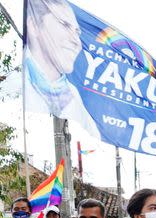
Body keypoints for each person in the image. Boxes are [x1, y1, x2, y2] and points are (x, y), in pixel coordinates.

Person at [23, 0, 99, 135]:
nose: (77, 41)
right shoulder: (13, 88)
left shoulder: (78, 102)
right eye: (64, 24)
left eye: (77, 32)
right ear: (33, 25)